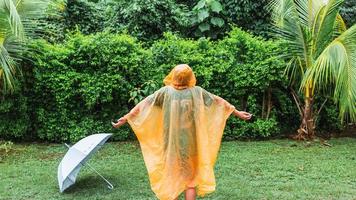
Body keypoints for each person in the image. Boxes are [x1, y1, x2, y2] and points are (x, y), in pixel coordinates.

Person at [112, 64, 251, 200]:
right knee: (190, 181)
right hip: (191, 143)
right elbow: (217, 102)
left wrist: (126, 118)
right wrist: (237, 112)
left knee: (172, 177)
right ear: (190, 77)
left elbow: (145, 104)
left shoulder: (165, 92)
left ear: (174, 76)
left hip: (171, 143)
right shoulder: (197, 92)